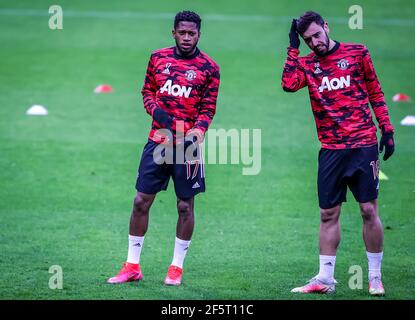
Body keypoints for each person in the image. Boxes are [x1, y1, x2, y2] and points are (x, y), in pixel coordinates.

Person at [281, 11, 394, 295]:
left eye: (317, 35)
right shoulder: (306, 64)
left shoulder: (357, 53)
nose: (315, 43)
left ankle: (375, 276)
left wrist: (388, 130)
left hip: (363, 145)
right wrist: (293, 49)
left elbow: (375, 92)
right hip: (331, 150)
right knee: (328, 214)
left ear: (327, 27)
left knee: (369, 210)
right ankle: (324, 279)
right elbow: (288, 84)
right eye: (308, 40)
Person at [107, 10, 220, 286]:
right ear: (173, 33)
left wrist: (199, 130)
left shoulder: (210, 68)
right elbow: (147, 91)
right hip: (158, 141)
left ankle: (176, 268)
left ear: (199, 35)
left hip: (187, 147)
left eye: (191, 33)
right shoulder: (158, 58)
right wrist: (159, 114)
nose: (186, 37)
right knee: (140, 201)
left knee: (185, 207)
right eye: (181, 32)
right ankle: (132, 265)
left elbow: (209, 107)